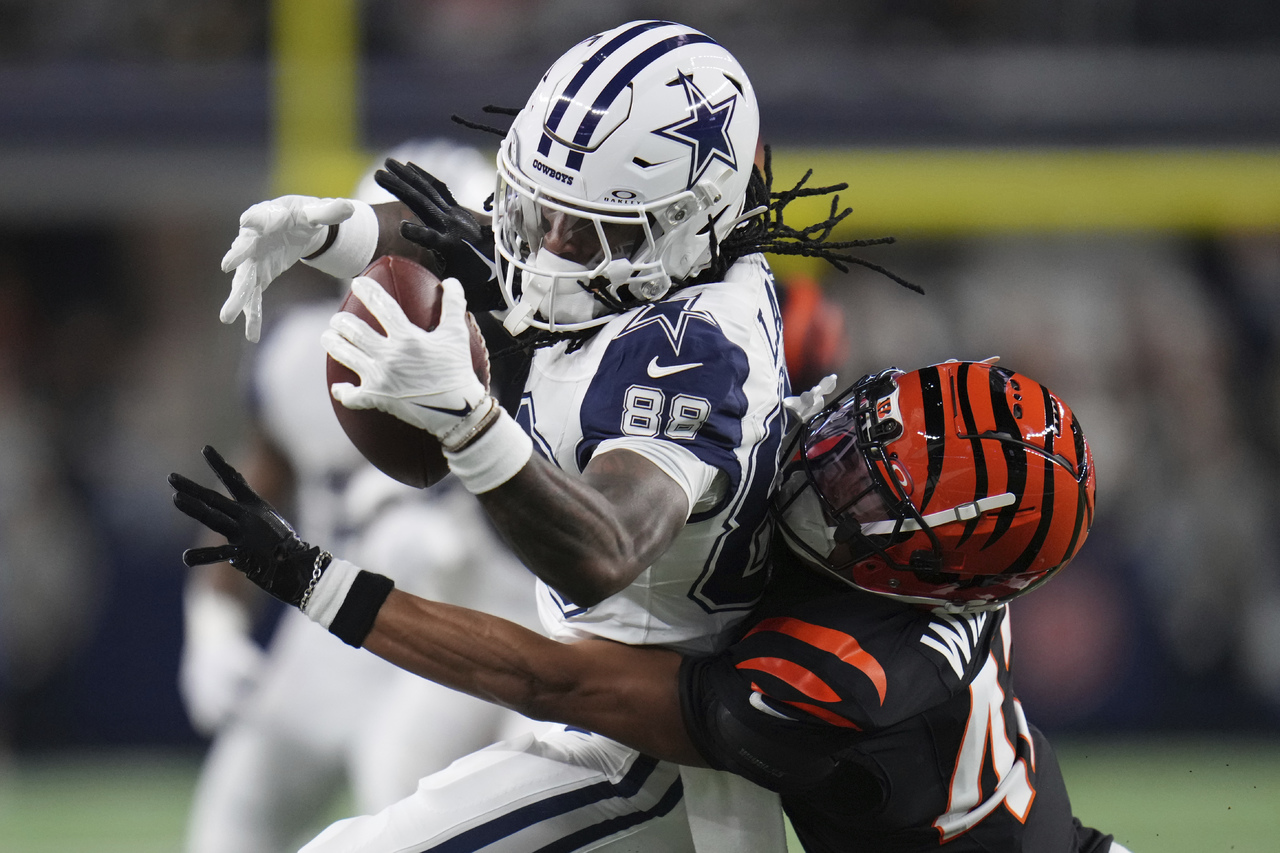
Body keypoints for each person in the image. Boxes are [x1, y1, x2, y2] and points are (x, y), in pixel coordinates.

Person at [209, 19, 914, 853]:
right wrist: (338, 233)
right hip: (597, 704)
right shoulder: (650, 268)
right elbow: (482, 240)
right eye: (545, 209)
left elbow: (604, 546)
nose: (551, 247)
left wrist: (469, 424)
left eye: (586, 227)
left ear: (689, 224)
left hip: (653, 757)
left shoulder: (695, 355)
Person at [170, 358, 1130, 853]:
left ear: (933, 576)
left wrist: (316, 580)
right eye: (863, 432)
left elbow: (548, 677)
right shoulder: (936, 559)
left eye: (880, 500)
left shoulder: (839, 675)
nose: (836, 468)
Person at [180, 140, 542, 853]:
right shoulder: (294, 358)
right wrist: (211, 626)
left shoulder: (527, 363)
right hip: (326, 628)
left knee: (404, 800)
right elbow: (252, 495)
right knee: (233, 816)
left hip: (453, 632)